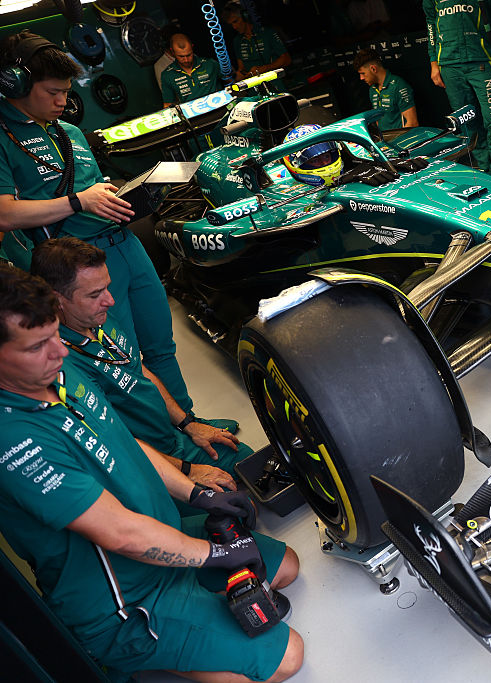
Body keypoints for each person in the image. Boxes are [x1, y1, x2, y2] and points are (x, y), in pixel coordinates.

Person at [0, 266, 303, 682]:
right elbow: (120, 534)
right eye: (38, 346)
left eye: (55, 334)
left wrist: (198, 494)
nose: (60, 352)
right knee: (287, 658)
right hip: (123, 597)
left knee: (287, 567)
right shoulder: (14, 440)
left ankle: (191, 620)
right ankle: (133, 654)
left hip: (162, 535)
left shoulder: (57, 374)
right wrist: (216, 555)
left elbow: (124, 441)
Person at [0, 31, 199, 421]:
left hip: (123, 244)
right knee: (122, 360)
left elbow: (92, 190)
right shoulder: (4, 139)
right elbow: (5, 214)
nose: (63, 101)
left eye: (66, 92)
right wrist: (78, 201)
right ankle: (162, 437)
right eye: (53, 92)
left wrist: (120, 197)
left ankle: (190, 421)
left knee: (161, 343)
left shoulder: (70, 132)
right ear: (15, 84)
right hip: (75, 268)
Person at [31, 238, 250, 494]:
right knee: (234, 503)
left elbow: (139, 370)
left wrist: (188, 423)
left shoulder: (95, 317)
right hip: (148, 469)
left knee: (248, 460)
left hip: (171, 439)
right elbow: (116, 444)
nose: (110, 301)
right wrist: (188, 470)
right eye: (94, 294)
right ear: (56, 300)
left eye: (106, 288)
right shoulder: (63, 365)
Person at [423, 0, 491, 177]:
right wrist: (433, 61)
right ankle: (484, 170)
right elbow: (431, 24)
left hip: (482, 59)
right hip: (449, 63)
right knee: (466, 121)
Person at [353, 49, 418, 129]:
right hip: (384, 137)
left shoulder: (398, 85)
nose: (361, 78)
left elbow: (412, 122)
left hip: (400, 136)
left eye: (363, 73)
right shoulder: (372, 89)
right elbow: (378, 120)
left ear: (373, 69)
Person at [224, 3, 292, 80]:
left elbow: (287, 59)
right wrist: (239, 75)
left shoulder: (267, 33)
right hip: (253, 84)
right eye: (231, 24)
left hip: (274, 81)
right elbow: (241, 68)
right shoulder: (237, 41)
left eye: (235, 21)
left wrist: (265, 68)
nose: (234, 27)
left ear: (245, 17)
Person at [160, 34, 223, 107]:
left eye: (189, 55)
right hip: (190, 112)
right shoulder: (167, 75)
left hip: (218, 107)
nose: (186, 60)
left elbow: (230, 80)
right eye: (181, 56)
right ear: (172, 52)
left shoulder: (210, 64)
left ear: (192, 47)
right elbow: (168, 104)